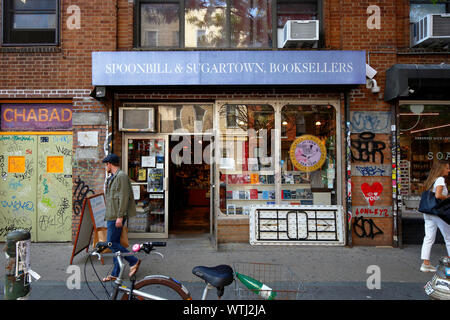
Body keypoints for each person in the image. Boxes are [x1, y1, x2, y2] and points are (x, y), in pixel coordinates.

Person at [102, 153, 141, 281]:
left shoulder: (121, 176)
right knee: (116, 243)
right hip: (112, 214)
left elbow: (124, 197)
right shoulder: (113, 177)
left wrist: (120, 217)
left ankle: (133, 260)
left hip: (116, 215)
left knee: (111, 243)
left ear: (109, 164)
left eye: (106, 164)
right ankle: (115, 273)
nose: (105, 167)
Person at [420, 160, 450, 272]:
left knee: (428, 237)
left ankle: (425, 264)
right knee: (448, 237)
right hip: (438, 213)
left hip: (428, 213)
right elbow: (438, 195)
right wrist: (447, 197)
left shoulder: (431, 180)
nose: (449, 170)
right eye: (447, 168)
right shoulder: (441, 179)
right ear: (441, 168)